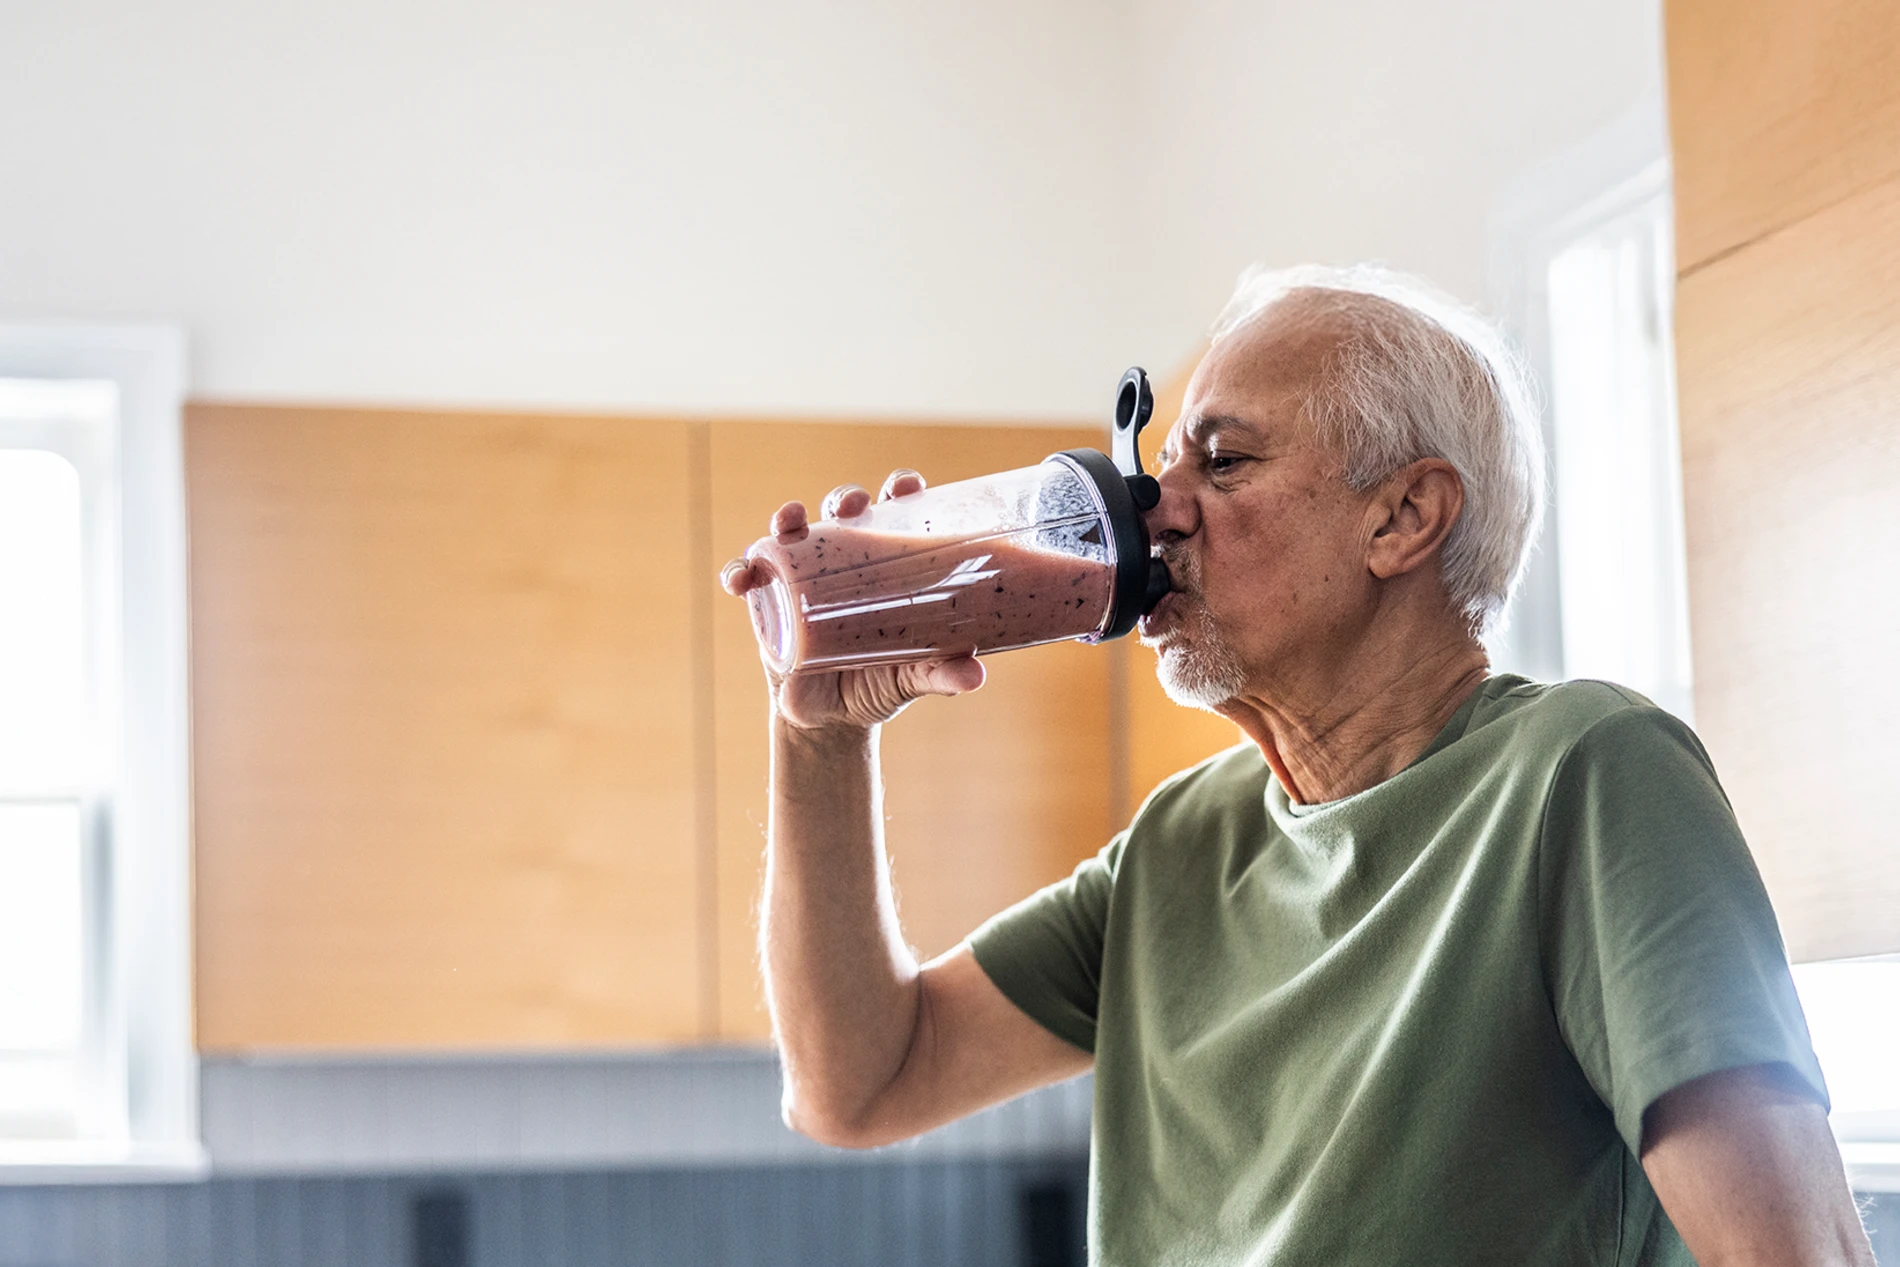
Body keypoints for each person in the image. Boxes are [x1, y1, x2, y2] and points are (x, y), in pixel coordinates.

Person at [718, 264, 1877, 1266]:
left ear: (1402, 518)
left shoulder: (1583, 777)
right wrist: (820, 735)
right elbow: (857, 1083)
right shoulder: (1181, 844)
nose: (1155, 512)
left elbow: (1794, 1252)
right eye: (1160, 463)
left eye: (1221, 461)